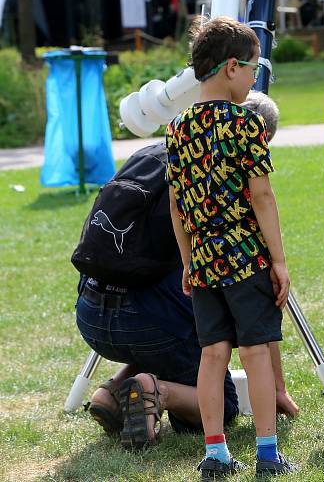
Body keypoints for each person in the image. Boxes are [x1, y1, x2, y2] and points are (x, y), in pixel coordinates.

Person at [76, 90, 298, 450]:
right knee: (223, 397)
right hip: (146, 322)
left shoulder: (156, 151)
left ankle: (113, 391)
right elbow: (255, 320)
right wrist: (278, 389)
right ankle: (156, 391)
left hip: (91, 315)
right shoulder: (220, 175)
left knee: (180, 325)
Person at [167, 15, 295, 478]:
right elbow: (261, 195)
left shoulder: (178, 128)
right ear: (232, 68)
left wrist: (187, 261)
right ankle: (266, 453)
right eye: (255, 69)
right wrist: (278, 260)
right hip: (245, 257)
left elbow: (177, 207)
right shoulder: (245, 124)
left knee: (213, 354)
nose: (254, 80)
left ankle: (216, 453)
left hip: (202, 260)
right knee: (256, 352)